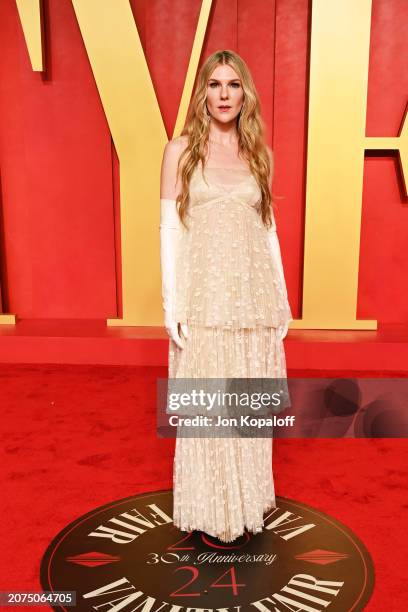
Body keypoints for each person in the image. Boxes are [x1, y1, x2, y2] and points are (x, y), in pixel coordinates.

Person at [159, 50, 292, 542]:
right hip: (204, 297)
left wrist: (281, 297)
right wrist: (173, 304)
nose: (223, 95)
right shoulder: (180, 151)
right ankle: (213, 508)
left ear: (245, 94)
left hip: (252, 297)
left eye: (233, 85)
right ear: (204, 94)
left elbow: (268, 230)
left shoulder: (259, 153)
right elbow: (169, 228)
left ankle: (246, 502)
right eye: (215, 85)